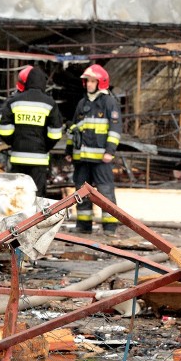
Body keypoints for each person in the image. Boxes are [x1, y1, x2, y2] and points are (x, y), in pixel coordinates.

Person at [65, 64, 122, 235]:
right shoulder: (82, 103)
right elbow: (73, 130)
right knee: (81, 193)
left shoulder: (109, 102)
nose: (89, 84)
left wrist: (110, 151)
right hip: (81, 159)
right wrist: (69, 151)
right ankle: (83, 226)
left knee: (105, 193)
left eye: (92, 81)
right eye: (87, 81)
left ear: (100, 83)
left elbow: (115, 130)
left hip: (100, 159)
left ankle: (110, 227)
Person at [0, 65, 63, 196]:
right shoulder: (49, 103)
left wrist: (13, 142)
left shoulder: (14, 101)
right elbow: (55, 133)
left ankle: (19, 217)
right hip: (39, 160)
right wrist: (45, 146)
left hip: (17, 158)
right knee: (36, 197)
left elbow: (3, 129)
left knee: (17, 196)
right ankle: (34, 217)